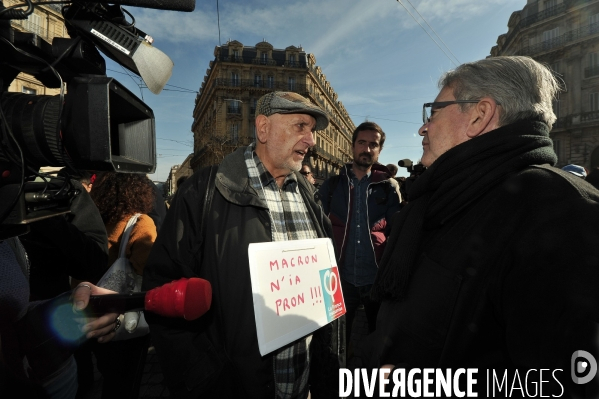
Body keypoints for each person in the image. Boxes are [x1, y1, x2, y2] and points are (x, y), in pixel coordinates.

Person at [365, 56, 599, 397]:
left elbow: (571, 382)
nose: (422, 128)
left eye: (433, 112)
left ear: (479, 115)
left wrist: (427, 384)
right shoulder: (446, 196)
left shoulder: (560, 213)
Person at [143, 91, 344, 399]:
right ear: (263, 128)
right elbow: (163, 292)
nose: (311, 140)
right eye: (300, 126)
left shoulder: (310, 196)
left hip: (303, 384)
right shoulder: (203, 192)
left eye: (312, 130)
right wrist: (206, 377)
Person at [318, 121, 401, 348]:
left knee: (377, 337)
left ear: (379, 150)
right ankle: (337, 378)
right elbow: (316, 226)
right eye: (361, 143)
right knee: (337, 339)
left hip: (376, 280)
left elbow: (397, 231)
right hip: (340, 280)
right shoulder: (333, 185)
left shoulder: (389, 187)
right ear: (352, 146)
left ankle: (371, 378)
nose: (366, 149)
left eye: (372, 144)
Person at [88, 172, 158, 399]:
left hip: (94, 311)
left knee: (109, 374)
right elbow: (145, 269)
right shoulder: (140, 222)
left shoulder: (96, 219)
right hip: (125, 315)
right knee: (127, 380)